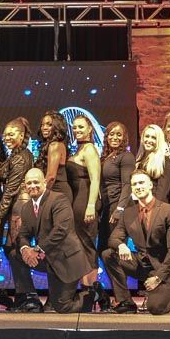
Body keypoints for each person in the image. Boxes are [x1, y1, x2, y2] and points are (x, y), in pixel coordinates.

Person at [102, 170, 170, 315]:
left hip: (164, 268)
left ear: (150, 185)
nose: (138, 187)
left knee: (155, 308)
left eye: (141, 183)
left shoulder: (169, 210)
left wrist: (158, 278)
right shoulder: (128, 213)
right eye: (134, 184)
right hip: (143, 265)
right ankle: (126, 301)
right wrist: (121, 245)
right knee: (109, 254)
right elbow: (113, 238)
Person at [14, 168, 95, 313]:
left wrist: (37, 250)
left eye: (36, 182)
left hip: (65, 259)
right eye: (29, 183)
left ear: (45, 182)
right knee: (15, 255)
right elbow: (23, 234)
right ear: (25, 185)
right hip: (47, 258)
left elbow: (60, 230)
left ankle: (93, 294)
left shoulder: (58, 199)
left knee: (62, 307)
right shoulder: (26, 208)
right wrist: (25, 249)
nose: (32, 186)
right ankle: (30, 298)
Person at [0, 118, 36, 309]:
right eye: (5, 134)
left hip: (19, 206)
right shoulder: (17, 154)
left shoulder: (21, 157)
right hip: (17, 205)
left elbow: (10, 190)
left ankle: (28, 296)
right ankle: (24, 295)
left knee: (17, 249)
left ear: (22, 136)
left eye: (11, 134)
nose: (7, 137)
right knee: (11, 249)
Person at [67, 114, 103, 305]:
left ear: (90, 129)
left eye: (81, 127)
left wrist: (90, 205)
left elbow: (95, 179)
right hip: (76, 203)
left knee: (87, 245)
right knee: (80, 246)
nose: (77, 130)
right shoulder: (79, 149)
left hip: (85, 203)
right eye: (74, 127)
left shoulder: (89, 150)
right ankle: (87, 289)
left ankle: (92, 290)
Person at [99, 121, 135, 248]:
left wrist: (119, 210)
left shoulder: (126, 157)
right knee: (103, 248)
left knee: (114, 247)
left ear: (124, 137)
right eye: (111, 134)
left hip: (117, 206)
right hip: (107, 206)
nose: (115, 137)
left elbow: (127, 185)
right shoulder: (106, 157)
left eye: (119, 135)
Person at [34, 111, 73, 203]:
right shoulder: (57, 144)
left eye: (49, 125)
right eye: (42, 125)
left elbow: (51, 177)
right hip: (55, 192)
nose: (44, 128)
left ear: (57, 127)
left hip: (57, 193)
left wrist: (40, 197)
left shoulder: (55, 145)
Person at [136, 124, 170, 202]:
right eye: (147, 136)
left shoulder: (164, 160)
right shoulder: (139, 159)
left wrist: (153, 207)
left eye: (153, 138)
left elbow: (163, 191)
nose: (149, 140)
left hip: (155, 205)